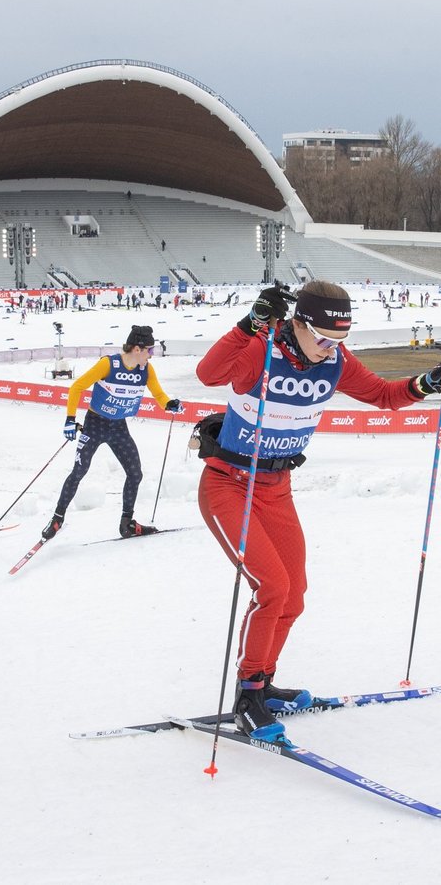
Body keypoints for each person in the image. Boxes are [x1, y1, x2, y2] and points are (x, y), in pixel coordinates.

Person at [194, 280, 441, 744]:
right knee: (272, 587)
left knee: (295, 594)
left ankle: (265, 684)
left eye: (341, 341)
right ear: (297, 323)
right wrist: (249, 324)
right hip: (230, 485)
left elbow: (386, 396)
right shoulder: (260, 350)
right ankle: (248, 696)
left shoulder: (335, 362)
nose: (331, 349)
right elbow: (209, 374)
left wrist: (428, 383)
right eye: (324, 338)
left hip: (276, 488)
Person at [41, 325, 181, 541]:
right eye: (150, 351)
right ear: (137, 349)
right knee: (79, 471)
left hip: (118, 427)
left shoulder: (146, 370)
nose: (151, 356)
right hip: (95, 424)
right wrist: (70, 420)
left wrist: (170, 404)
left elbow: (159, 394)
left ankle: (127, 523)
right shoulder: (109, 364)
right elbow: (76, 387)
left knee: (135, 473)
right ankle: (57, 518)